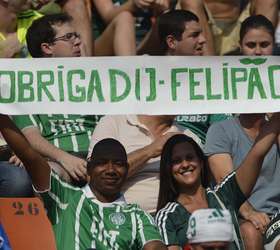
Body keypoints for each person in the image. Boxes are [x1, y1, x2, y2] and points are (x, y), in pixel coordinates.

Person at [0, 114, 167, 250]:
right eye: (102, 163)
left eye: (118, 164)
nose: (110, 170)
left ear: (126, 170)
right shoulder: (65, 198)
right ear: (89, 169)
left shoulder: (137, 215)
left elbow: (155, 246)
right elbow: (27, 152)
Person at [205, 15, 278, 250]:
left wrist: (273, 118)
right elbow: (224, 185)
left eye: (264, 45)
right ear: (240, 48)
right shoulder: (221, 129)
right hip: (241, 218)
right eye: (251, 45)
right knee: (249, 230)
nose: (257, 52)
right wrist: (251, 212)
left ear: (275, 48)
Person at [155, 113, 280, 250]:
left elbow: (257, 153)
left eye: (190, 157)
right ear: (168, 168)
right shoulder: (167, 216)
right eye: (176, 161)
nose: (185, 164)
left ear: (202, 163)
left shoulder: (223, 196)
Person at [12, 14, 100, 186]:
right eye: (68, 37)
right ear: (47, 48)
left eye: (77, 36)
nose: (77, 42)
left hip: (100, 159)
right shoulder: (27, 88)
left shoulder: (97, 80)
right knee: (48, 174)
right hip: (58, 161)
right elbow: (31, 136)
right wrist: (65, 158)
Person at [88, 115, 201, 213]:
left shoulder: (188, 135)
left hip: (174, 219)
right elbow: (93, 177)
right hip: (122, 217)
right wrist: (150, 151)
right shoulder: (113, 123)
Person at [157, 9, 231, 144]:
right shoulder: (146, 78)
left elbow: (225, 134)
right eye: (194, 35)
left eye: (201, 34)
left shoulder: (212, 81)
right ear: (172, 42)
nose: (203, 40)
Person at [178, 0, 278, 55]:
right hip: (202, 24)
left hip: (237, 28)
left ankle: (262, 58)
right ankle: (209, 67)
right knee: (191, 1)